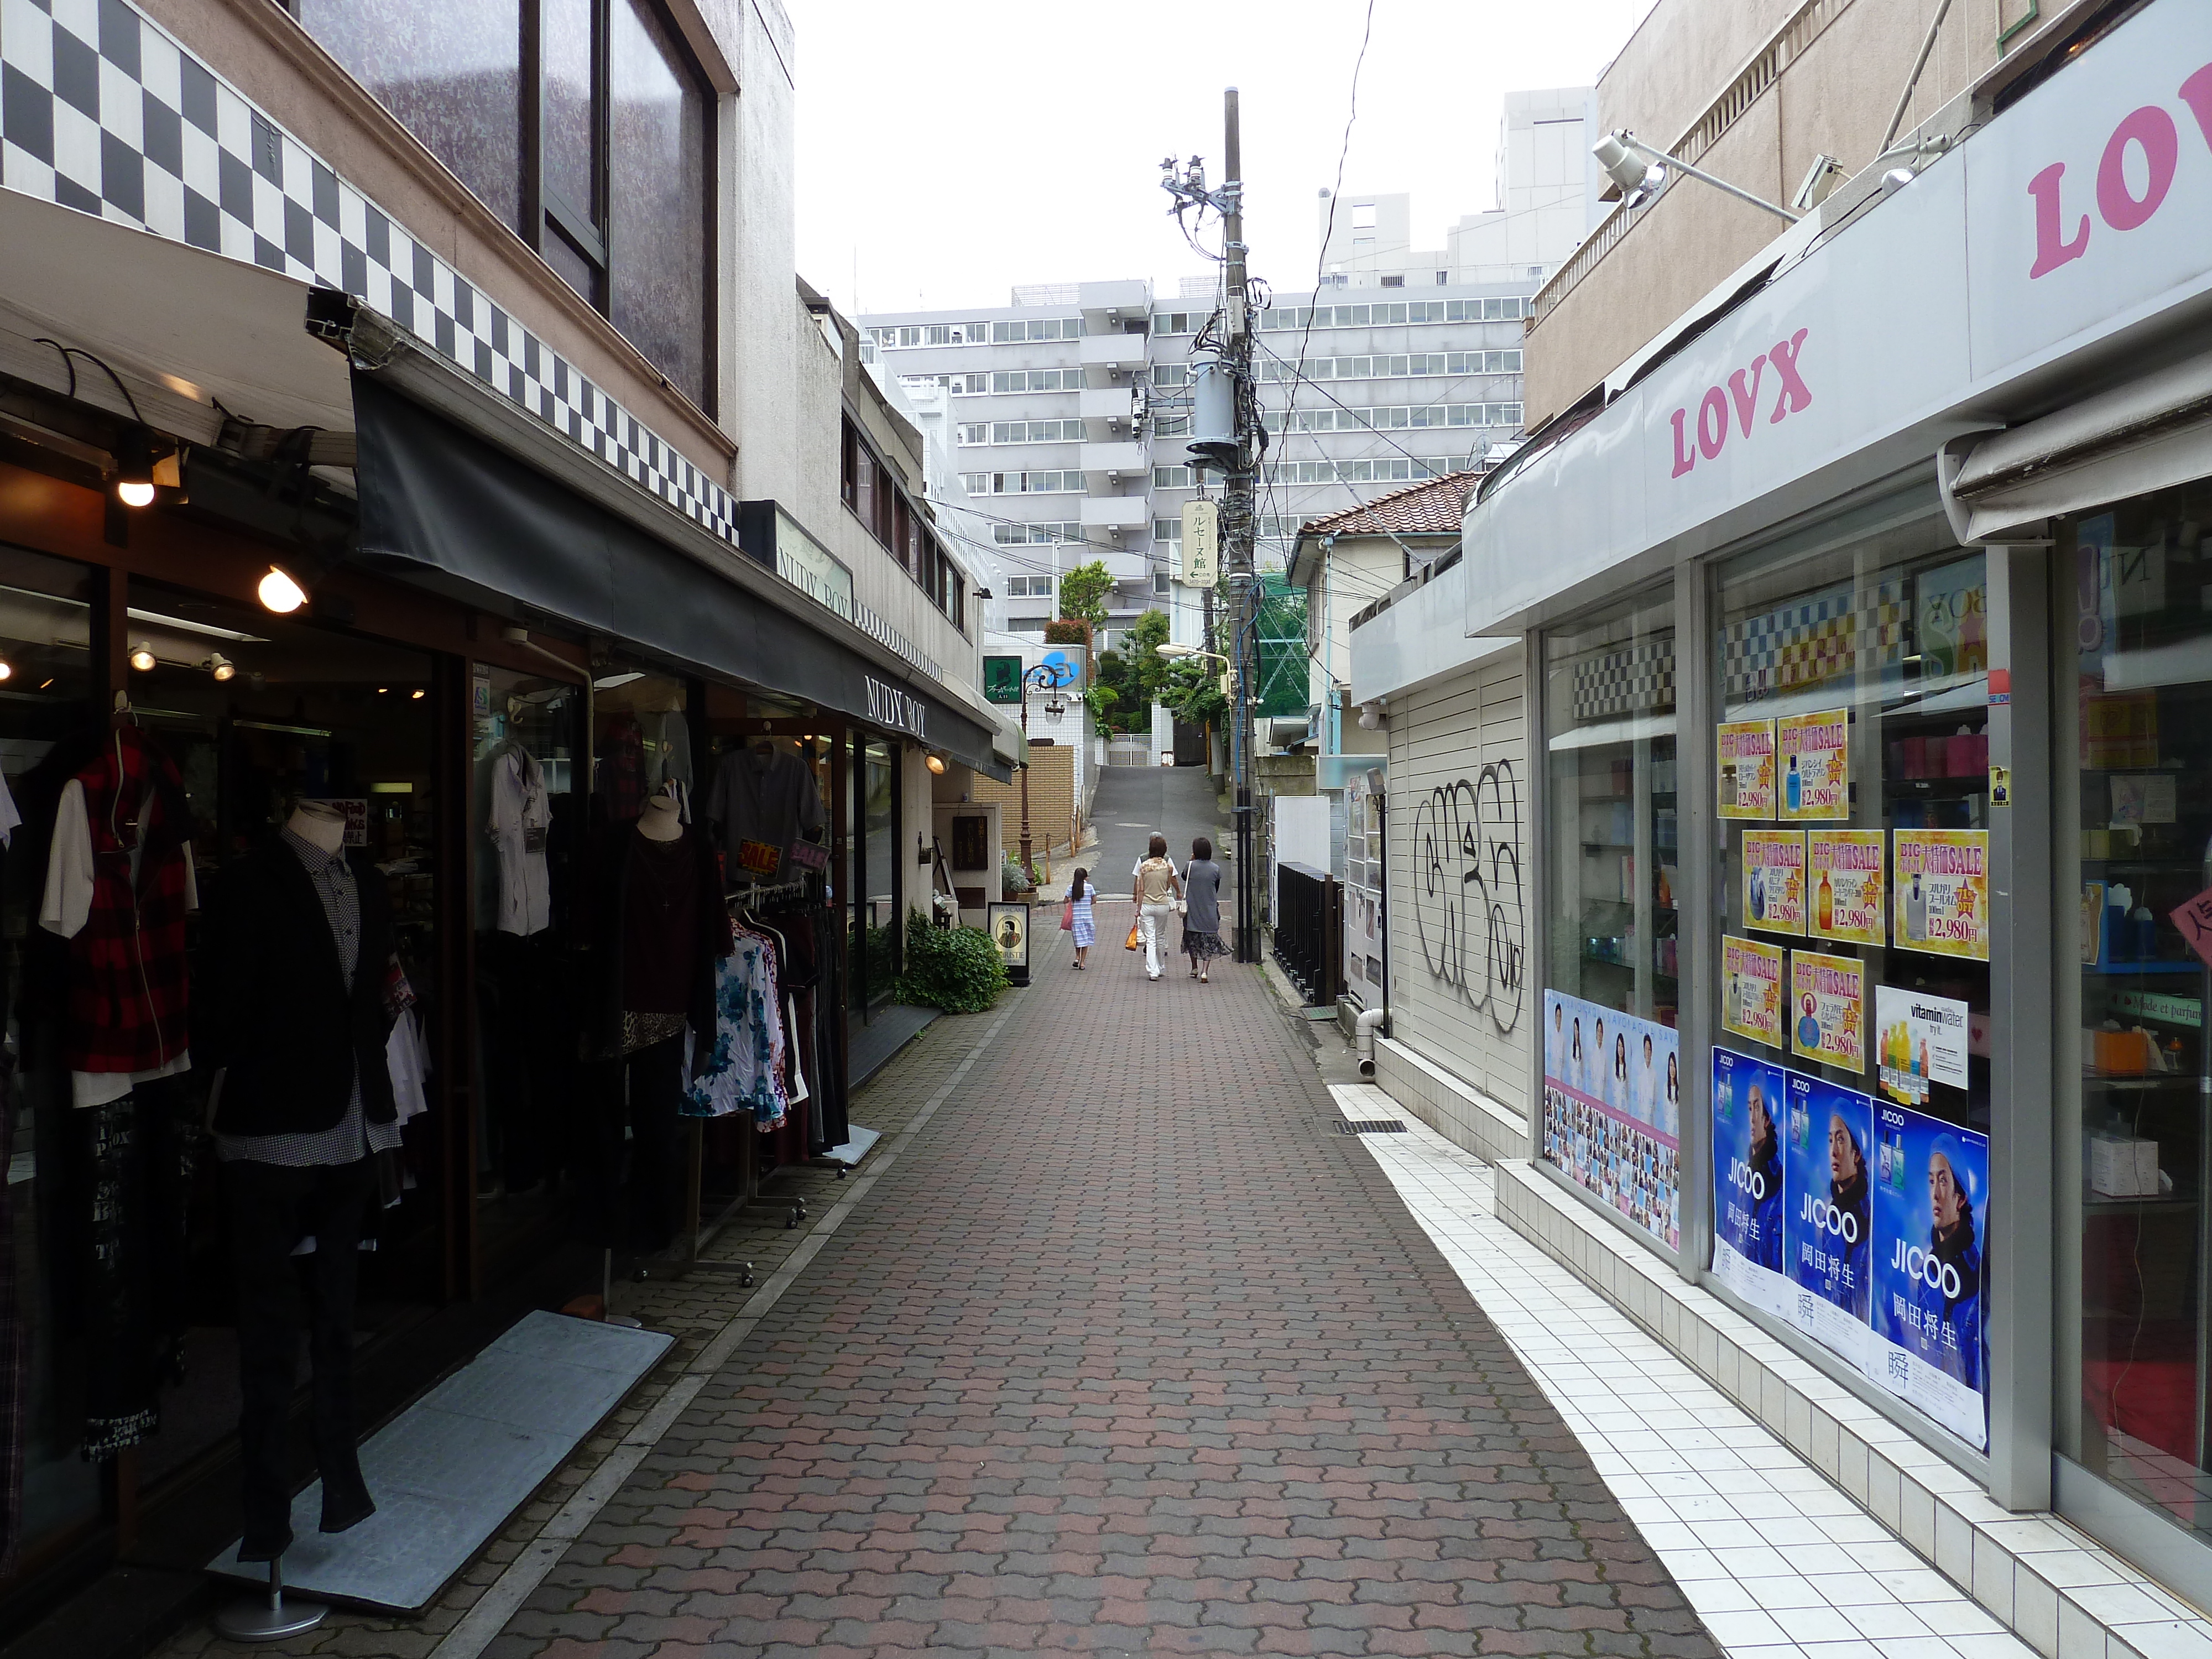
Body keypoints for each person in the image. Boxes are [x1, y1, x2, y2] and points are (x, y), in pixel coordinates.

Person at [1133, 834, 1183, 981]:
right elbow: (1168, 887)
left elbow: (1141, 889)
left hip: (1147, 904)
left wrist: (1138, 908)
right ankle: (1161, 967)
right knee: (1160, 936)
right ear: (1164, 850)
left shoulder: (1144, 867)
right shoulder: (1168, 867)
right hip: (1163, 904)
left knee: (1151, 939)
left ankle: (1152, 970)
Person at [1181, 836, 1227, 982]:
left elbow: (1184, 877)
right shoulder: (1215, 869)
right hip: (1209, 909)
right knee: (1208, 940)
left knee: (1192, 938)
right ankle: (1204, 971)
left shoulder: (1190, 866)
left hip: (1193, 909)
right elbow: (1216, 887)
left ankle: (1194, 967)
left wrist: (1191, 860)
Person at [1067, 867, 1095, 969]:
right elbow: (1094, 900)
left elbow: (1065, 900)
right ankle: (1082, 963)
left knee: (1078, 939)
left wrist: (1071, 900)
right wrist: (1087, 904)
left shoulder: (1071, 888)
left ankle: (1077, 957)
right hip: (1087, 917)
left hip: (1076, 919)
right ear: (1085, 877)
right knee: (1086, 940)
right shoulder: (1090, 887)